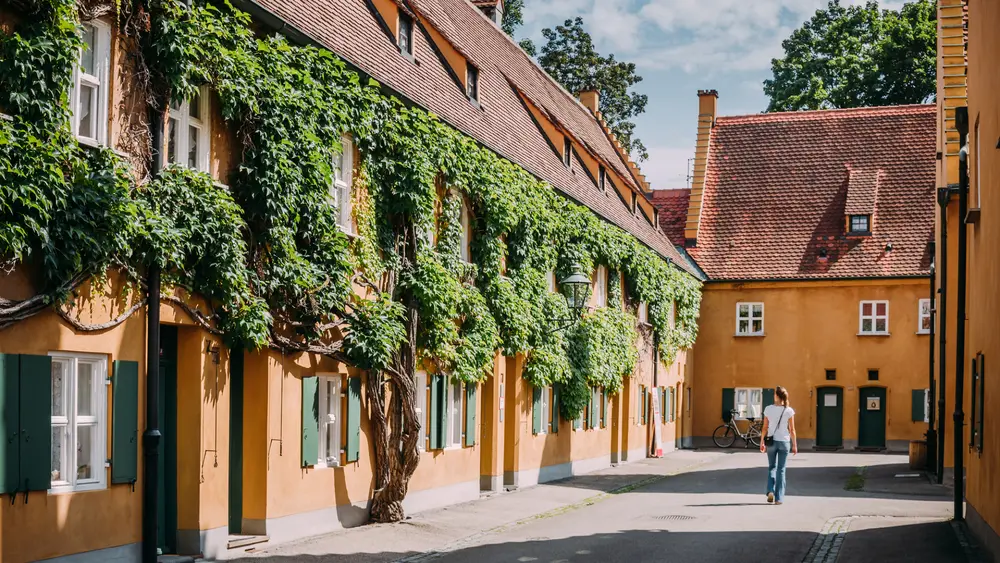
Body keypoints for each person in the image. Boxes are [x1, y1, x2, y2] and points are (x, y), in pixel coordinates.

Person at [759, 386, 797, 505]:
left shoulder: (768, 409)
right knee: (781, 469)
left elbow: (765, 427)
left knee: (772, 467)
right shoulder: (789, 410)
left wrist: (762, 441)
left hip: (771, 442)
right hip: (784, 442)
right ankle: (779, 498)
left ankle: (770, 490)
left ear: (776, 396)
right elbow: (792, 430)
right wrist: (795, 445)